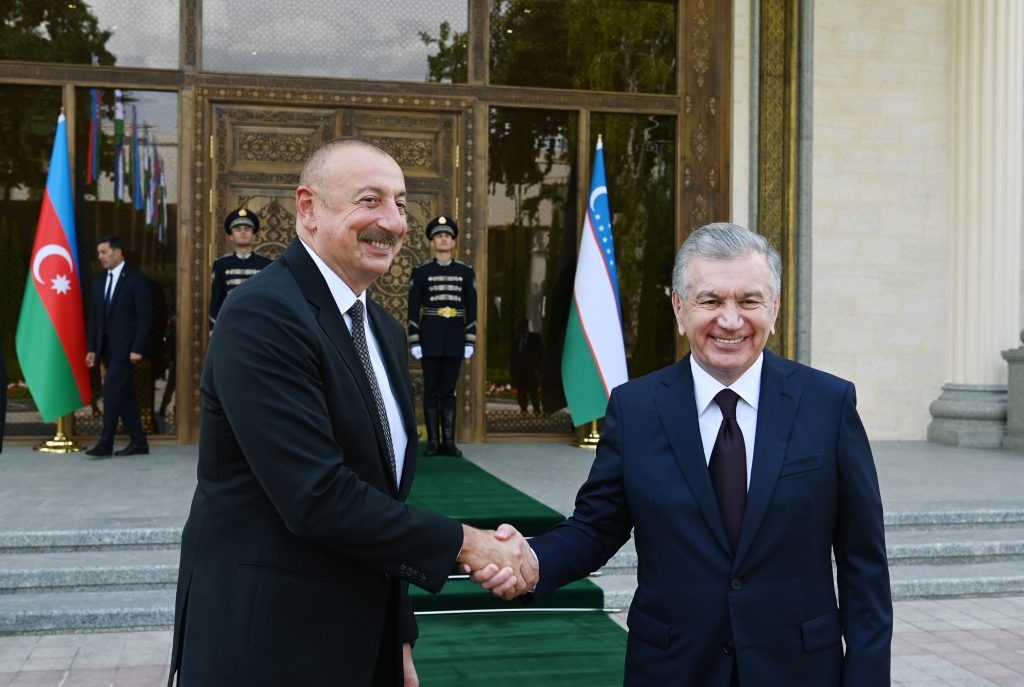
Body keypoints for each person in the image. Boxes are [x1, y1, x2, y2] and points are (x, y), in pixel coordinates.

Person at [169, 137, 535, 687]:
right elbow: (317, 496)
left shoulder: (382, 329)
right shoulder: (262, 314)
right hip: (269, 640)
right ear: (308, 208)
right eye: (369, 200)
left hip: (358, 634)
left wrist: (398, 634)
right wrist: (469, 544)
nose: (392, 222)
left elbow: (381, 495)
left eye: (401, 204)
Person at [477, 222, 893, 686]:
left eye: (749, 301)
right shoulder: (635, 409)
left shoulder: (829, 405)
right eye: (710, 301)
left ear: (774, 308)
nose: (730, 320)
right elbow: (596, 527)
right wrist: (532, 561)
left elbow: (863, 565)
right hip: (673, 668)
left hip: (798, 671)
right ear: (679, 308)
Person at [407, 215, 477, 456]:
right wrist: (414, 339)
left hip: (455, 339)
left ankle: (449, 441)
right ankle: (433, 442)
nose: (444, 239)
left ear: (454, 241)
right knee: (431, 390)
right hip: (430, 338)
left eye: (447, 235)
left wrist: (470, 339)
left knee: (449, 390)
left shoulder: (465, 272)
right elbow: (413, 308)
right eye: (439, 236)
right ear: (432, 242)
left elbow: (472, 308)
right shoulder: (421, 272)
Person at [85, 237, 153, 457]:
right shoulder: (99, 281)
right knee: (124, 395)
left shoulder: (136, 279)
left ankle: (106, 443)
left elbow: (145, 317)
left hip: (126, 349)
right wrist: (92, 348)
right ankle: (139, 442)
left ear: (118, 252)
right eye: (99, 253)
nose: (100, 257)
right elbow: (95, 318)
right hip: (106, 349)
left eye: (104, 252)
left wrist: (138, 348)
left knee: (111, 391)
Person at [209, 207, 273, 330]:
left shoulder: (266, 264)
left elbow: (268, 300)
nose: (243, 232)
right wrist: (215, 329)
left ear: (254, 236)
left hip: (258, 324)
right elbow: (216, 300)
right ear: (231, 236)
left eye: (247, 229)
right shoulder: (221, 264)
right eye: (238, 229)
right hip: (229, 324)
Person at [510, 318, 543, 415]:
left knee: (533, 391)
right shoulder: (516, 340)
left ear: (526, 327)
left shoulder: (535, 338)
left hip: (531, 370)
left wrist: (539, 368)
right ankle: (523, 409)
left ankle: (536, 409)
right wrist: (513, 372)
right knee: (521, 392)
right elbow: (512, 356)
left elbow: (540, 353)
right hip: (520, 371)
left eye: (521, 326)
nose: (519, 329)